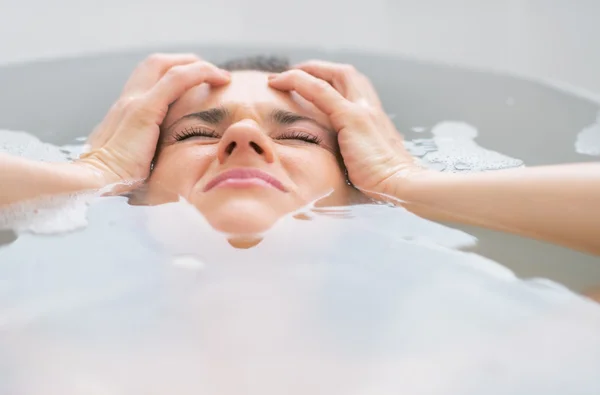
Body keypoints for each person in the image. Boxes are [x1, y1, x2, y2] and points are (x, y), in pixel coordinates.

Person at [0, 53, 599, 255]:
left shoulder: (492, 357)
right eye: (196, 135)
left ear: (359, 191)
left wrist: (404, 181)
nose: (243, 141)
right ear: (137, 187)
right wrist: (91, 174)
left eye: (300, 136)